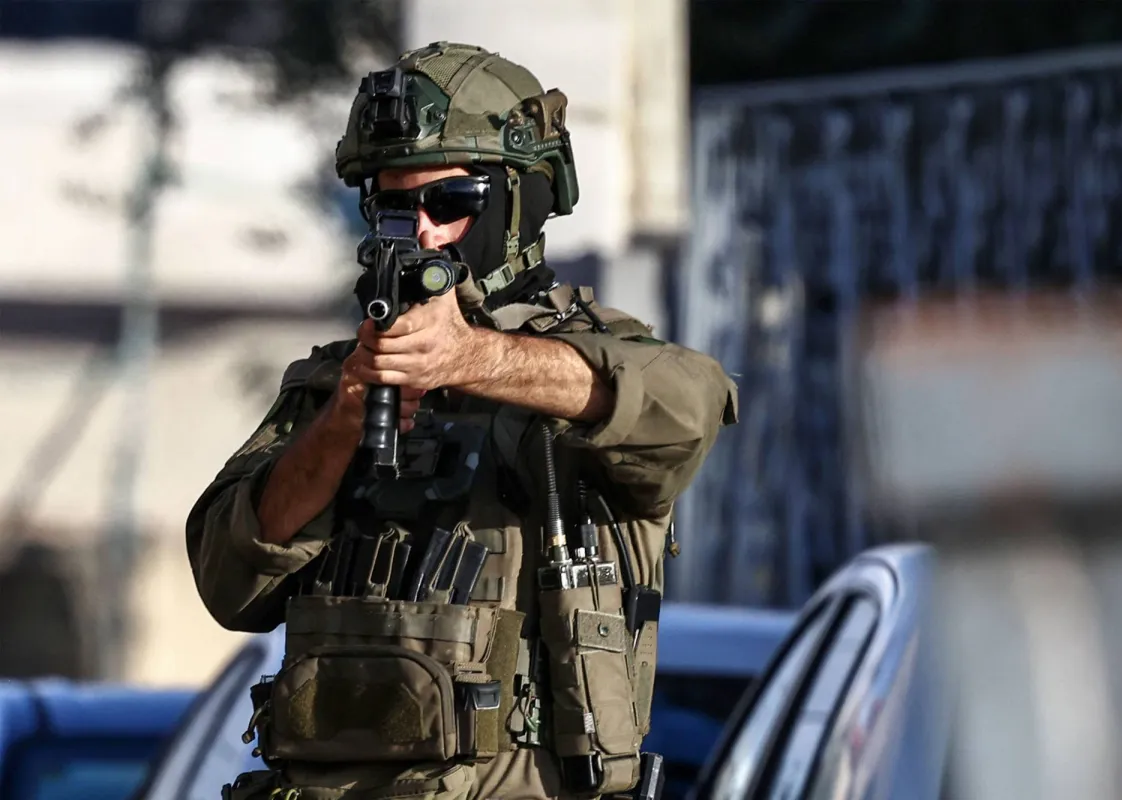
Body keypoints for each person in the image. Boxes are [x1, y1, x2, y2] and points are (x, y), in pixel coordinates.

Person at [187, 41, 738, 800]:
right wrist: (344, 422)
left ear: (520, 199)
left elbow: (691, 403)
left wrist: (471, 359)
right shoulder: (337, 382)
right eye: (393, 206)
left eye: (449, 203)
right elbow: (228, 582)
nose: (420, 231)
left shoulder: (594, 362)